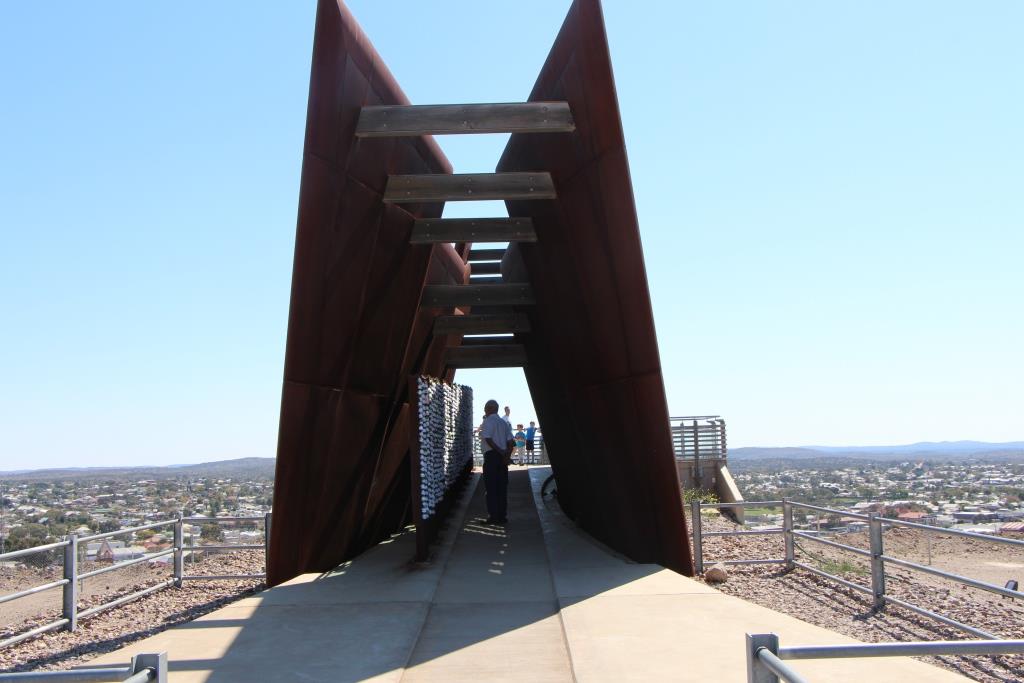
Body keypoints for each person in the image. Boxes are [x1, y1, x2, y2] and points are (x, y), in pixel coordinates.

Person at [480, 400, 514, 524]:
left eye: (485, 408)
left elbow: (488, 438)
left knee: (491, 488)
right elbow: (511, 442)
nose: (484, 410)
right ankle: (502, 516)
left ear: (489, 408)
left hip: (491, 457)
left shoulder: (488, 421)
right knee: (502, 488)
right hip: (502, 458)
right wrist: (506, 455)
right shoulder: (503, 423)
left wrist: (499, 451)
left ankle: (493, 516)